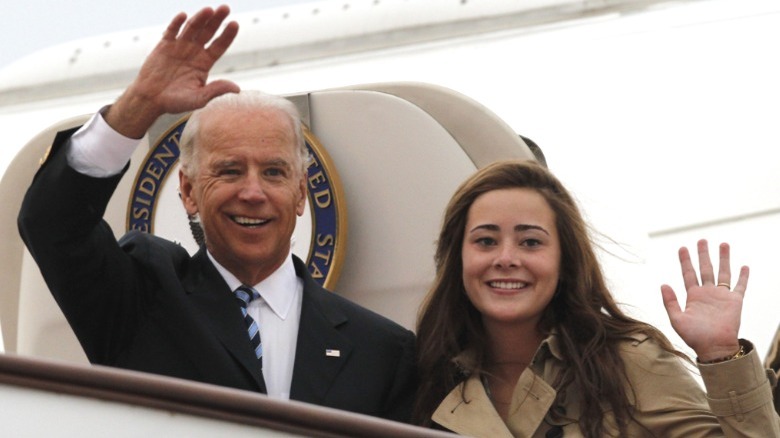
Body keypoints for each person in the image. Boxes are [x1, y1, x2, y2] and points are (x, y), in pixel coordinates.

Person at [17, 5, 416, 422]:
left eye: (275, 172)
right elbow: (52, 222)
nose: (252, 192)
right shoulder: (141, 301)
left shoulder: (382, 350)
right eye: (229, 171)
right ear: (188, 192)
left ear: (301, 194)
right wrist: (138, 106)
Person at [413, 159, 779, 436]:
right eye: (486, 241)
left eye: (531, 242)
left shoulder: (627, 361)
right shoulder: (423, 375)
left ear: (564, 259)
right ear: (458, 256)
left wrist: (720, 355)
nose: (506, 258)